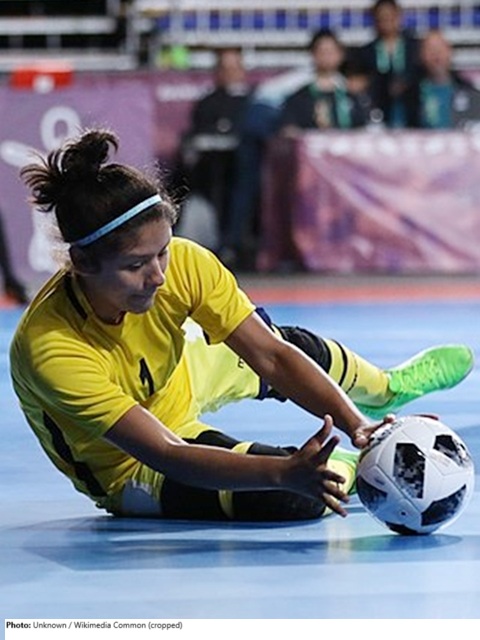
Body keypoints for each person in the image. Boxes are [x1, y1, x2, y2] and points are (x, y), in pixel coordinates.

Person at [10, 128, 473, 522]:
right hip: (130, 465)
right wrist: (285, 472)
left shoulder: (184, 264)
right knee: (294, 496)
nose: (158, 276)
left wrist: (357, 424)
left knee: (289, 346)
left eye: (162, 252)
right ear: (83, 263)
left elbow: (272, 357)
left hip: (181, 376)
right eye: (135, 265)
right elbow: (166, 452)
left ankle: (384, 392)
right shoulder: (51, 348)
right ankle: (357, 468)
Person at [177, 48, 253, 253]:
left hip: (244, 166)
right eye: (224, 68)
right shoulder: (207, 102)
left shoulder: (252, 100)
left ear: (242, 70)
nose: (229, 73)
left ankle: (234, 241)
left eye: (234, 68)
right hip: (210, 168)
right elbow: (197, 134)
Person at [279, 29, 371, 135]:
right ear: (313, 54)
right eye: (322, 52)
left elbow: (365, 126)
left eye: (331, 51)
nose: (327, 56)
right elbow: (289, 128)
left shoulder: (353, 93)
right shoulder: (299, 95)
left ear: (341, 54)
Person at [357, 0, 420, 128]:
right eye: (382, 17)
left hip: (412, 110)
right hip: (379, 111)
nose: (387, 21)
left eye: (390, 16)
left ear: (399, 16)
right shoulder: (365, 52)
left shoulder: (415, 47)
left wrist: (406, 83)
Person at [404, 29, 480, 129]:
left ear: (450, 52)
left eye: (440, 49)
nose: (436, 55)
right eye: (430, 50)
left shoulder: (469, 91)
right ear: (421, 55)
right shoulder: (410, 94)